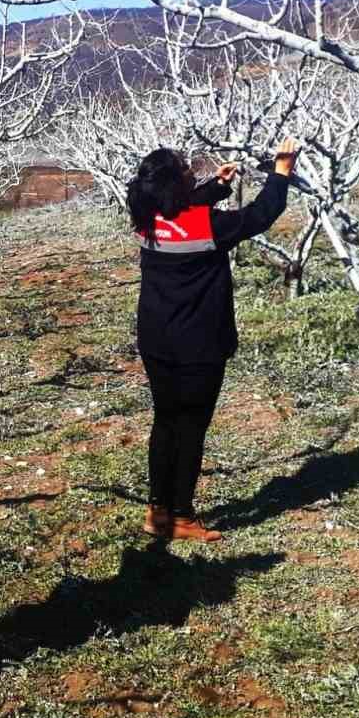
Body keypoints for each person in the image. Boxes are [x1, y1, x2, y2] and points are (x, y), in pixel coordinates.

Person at [128, 140, 300, 542]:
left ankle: (157, 511)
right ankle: (183, 517)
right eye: (188, 171)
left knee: (166, 420)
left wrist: (216, 187)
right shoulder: (209, 227)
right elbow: (261, 214)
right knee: (192, 425)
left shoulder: (145, 216)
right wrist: (282, 170)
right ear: (176, 187)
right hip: (199, 344)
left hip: (156, 340)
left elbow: (182, 209)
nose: (193, 173)